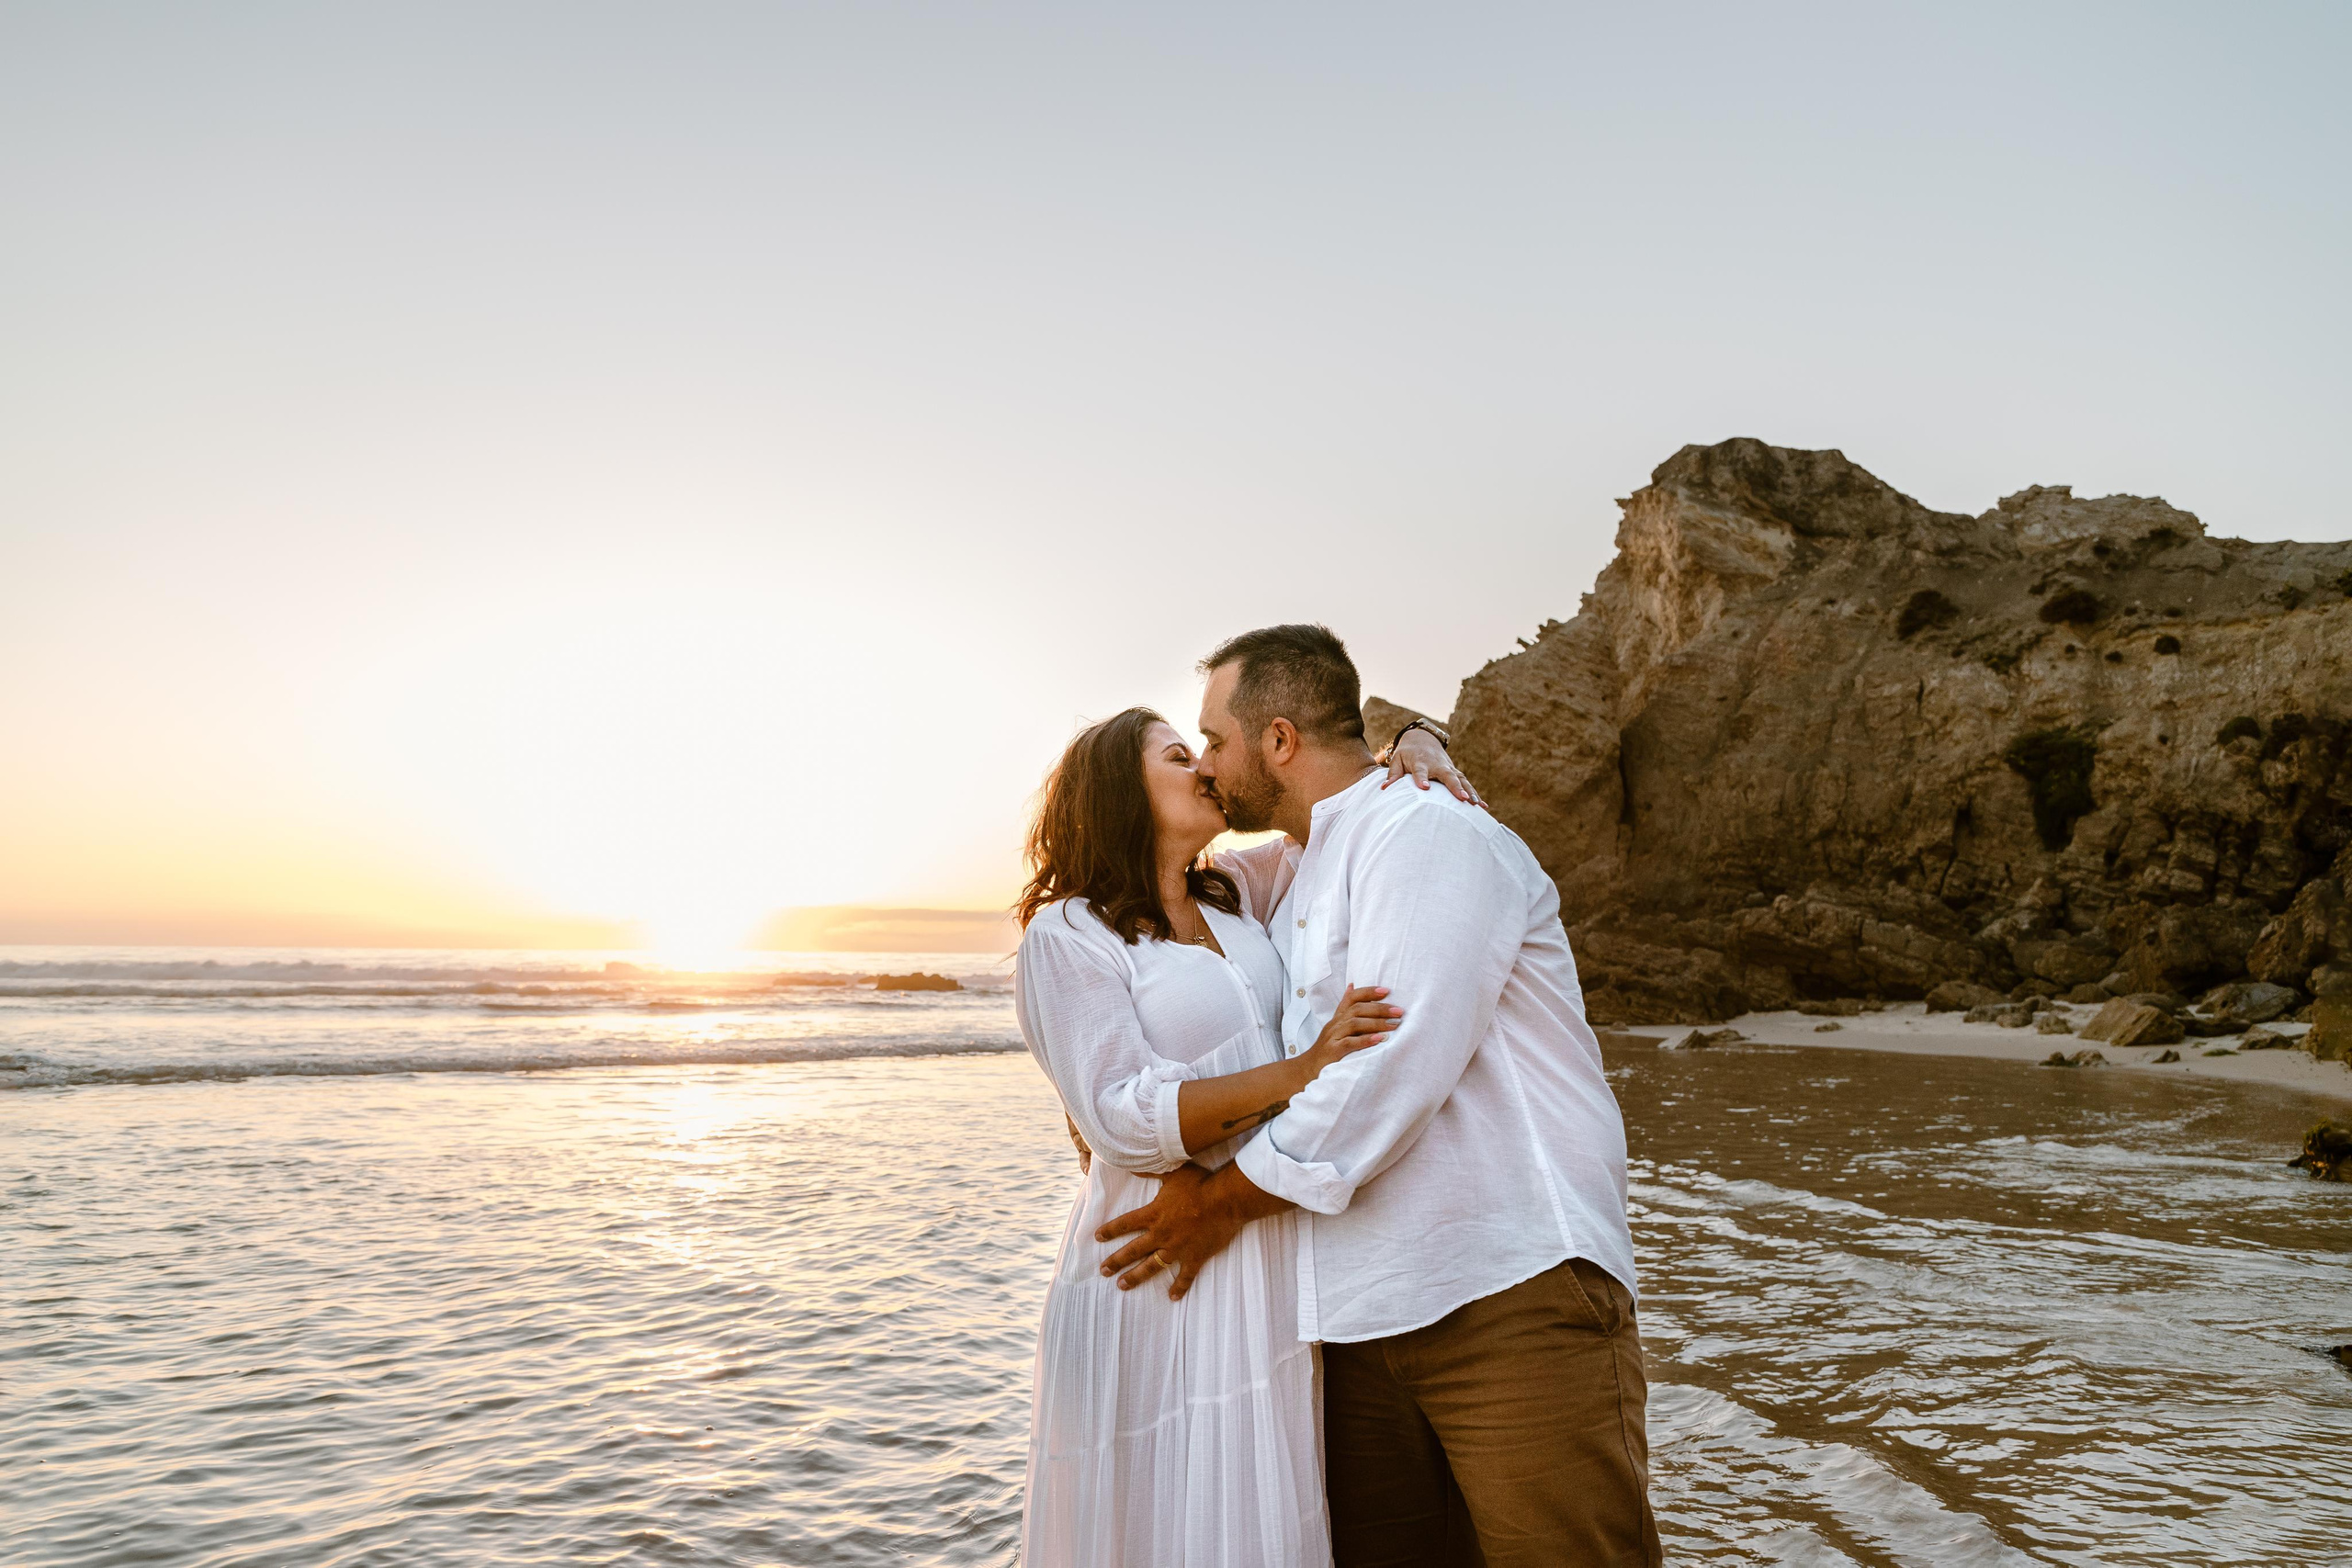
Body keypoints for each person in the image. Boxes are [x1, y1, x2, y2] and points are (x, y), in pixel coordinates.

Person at [1097, 624, 1658, 1567]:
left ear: (1278, 741)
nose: (1206, 766)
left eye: (1217, 741)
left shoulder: (1426, 831)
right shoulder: (1288, 871)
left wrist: (1221, 1205)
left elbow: (1387, 1068)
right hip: (1349, 1321)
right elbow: (1155, 911)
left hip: (1506, 1290)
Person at [1012, 705, 1468, 1567]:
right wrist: (1307, 1069)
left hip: (1256, 1255)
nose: (1205, 769)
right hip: (1150, 1264)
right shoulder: (1068, 931)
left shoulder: (1237, 895)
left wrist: (1411, 736)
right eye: (1180, 756)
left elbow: (1324, 807)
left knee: (1255, 1509)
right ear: (1119, 789)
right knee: (1150, 1519)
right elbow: (1118, 1114)